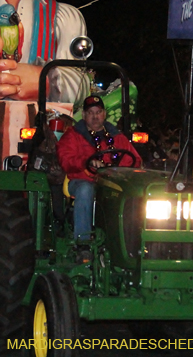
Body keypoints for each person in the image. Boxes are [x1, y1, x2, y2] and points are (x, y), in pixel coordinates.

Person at [56, 95, 141, 263]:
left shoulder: (117, 137)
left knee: (132, 193)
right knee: (85, 189)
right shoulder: (73, 135)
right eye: (90, 113)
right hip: (81, 180)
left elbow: (135, 159)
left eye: (98, 112)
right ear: (83, 115)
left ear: (104, 114)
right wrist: (86, 162)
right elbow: (65, 160)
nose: (95, 116)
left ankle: (133, 244)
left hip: (111, 183)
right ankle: (83, 244)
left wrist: (117, 168)